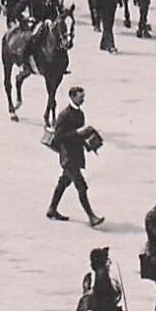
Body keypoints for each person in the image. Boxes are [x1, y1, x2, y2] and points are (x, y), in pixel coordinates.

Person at [48, 86, 104, 226]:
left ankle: (52, 209)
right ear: (72, 97)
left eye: (83, 97)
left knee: (64, 182)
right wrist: (79, 133)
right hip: (68, 157)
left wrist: (88, 145)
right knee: (81, 187)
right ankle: (91, 217)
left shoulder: (80, 114)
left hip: (76, 156)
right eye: (80, 97)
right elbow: (59, 137)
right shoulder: (64, 115)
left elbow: (80, 137)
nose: (82, 100)